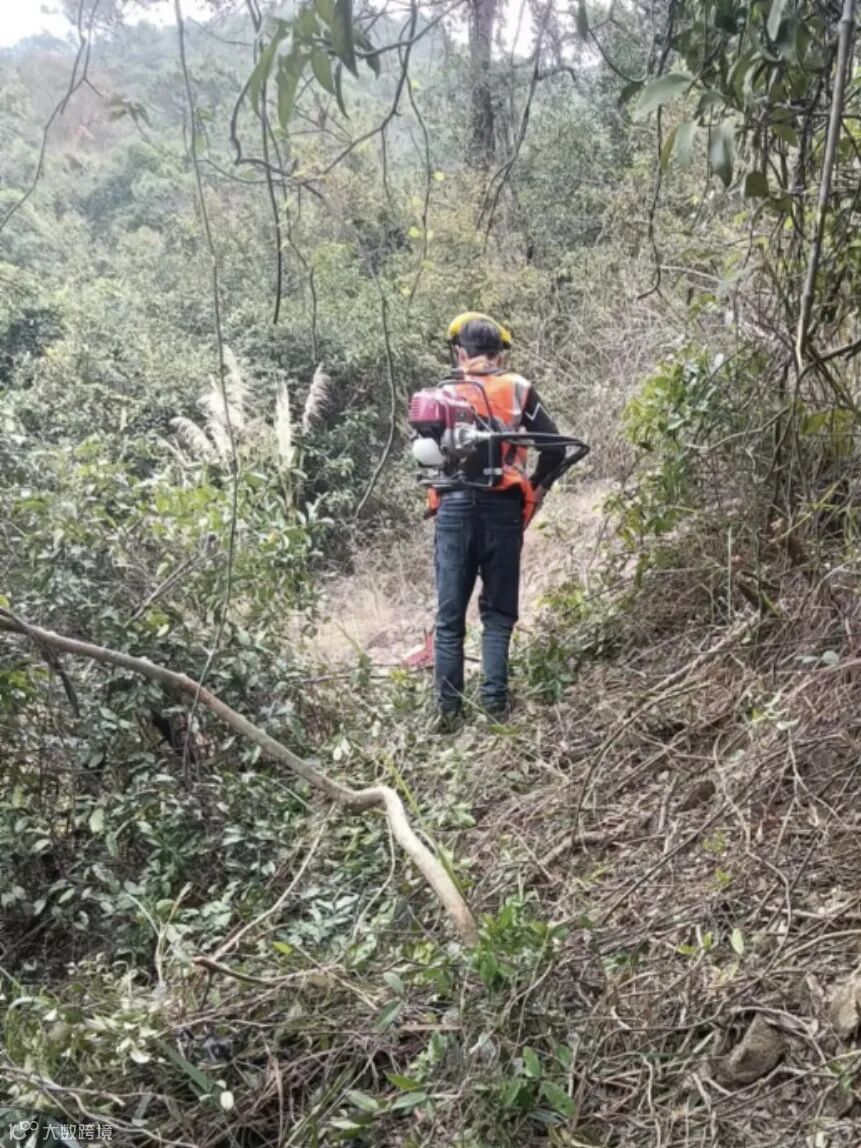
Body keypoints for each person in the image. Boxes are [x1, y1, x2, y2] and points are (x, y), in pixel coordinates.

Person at [429, 313, 566, 722]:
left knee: (449, 619)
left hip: (454, 508)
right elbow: (555, 448)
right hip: (504, 509)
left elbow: (428, 454)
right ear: (499, 354)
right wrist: (535, 488)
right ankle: (494, 707)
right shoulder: (518, 388)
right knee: (498, 613)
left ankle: (448, 713)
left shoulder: (443, 392)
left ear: (460, 353)